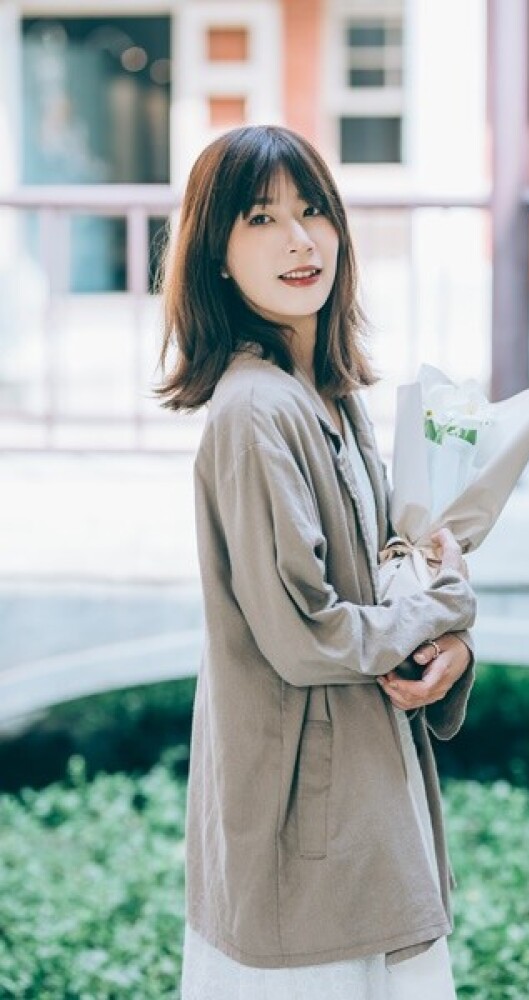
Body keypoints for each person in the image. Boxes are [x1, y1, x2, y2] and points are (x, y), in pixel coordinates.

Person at [156, 124, 477, 1000]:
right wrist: (446, 607)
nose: (299, 241)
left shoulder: (331, 396)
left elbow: (381, 585)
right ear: (216, 255)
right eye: (261, 219)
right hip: (304, 828)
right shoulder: (254, 412)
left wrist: (446, 650)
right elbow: (306, 633)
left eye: (313, 212)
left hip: (368, 799)